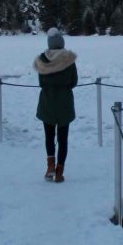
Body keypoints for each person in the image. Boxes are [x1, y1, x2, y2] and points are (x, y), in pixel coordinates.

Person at [33, 27, 78, 182]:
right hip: (64, 103)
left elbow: (41, 83)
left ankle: (50, 166)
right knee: (63, 138)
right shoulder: (69, 61)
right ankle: (59, 172)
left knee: (49, 136)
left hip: (47, 103)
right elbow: (74, 82)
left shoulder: (42, 60)